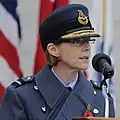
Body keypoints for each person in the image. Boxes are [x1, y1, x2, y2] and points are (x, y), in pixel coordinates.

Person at [0, 4, 115, 120]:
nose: (87, 47)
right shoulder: (21, 97)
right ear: (53, 49)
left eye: (88, 40)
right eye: (76, 41)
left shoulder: (102, 98)